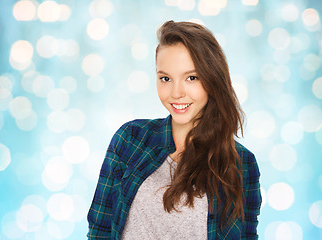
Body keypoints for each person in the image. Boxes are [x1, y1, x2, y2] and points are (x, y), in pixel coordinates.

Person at [87, 20, 261, 240]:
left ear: (213, 79)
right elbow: (99, 228)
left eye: (191, 78)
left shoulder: (241, 163)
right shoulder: (130, 139)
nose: (176, 93)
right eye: (165, 78)